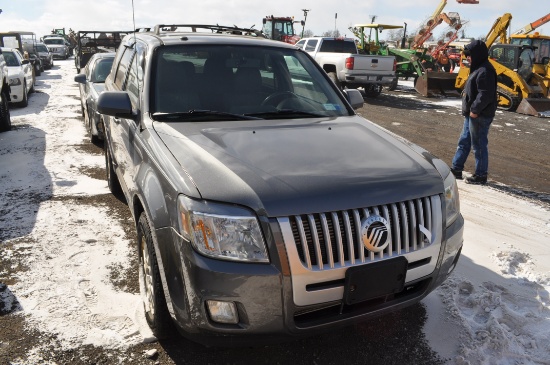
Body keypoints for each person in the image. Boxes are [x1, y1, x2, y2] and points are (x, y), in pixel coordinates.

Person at [450, 40, 497, 185]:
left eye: (469, 55)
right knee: (464, 142)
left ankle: (481, 175)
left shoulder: (485, 71)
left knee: (479, 145)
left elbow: (485, 94)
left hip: (479, 115)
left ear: (477, 54)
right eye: (467, 55)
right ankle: (456, 169)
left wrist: (475, 110)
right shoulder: (478, 68)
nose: (467, 58)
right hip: (472, 114)